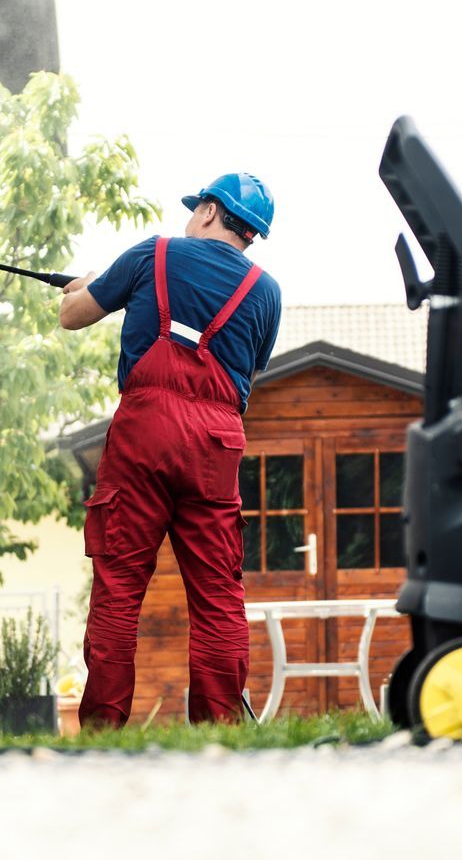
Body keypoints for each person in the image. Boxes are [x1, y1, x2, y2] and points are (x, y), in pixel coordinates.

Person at [58, 172, 282, 726]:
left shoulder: (153, 253)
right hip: (216, 443)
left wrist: (90, 286)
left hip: (144, 433)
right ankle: (220, 732)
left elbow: (73, 315)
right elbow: (248, 375)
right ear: (251, 233)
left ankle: (104, 734)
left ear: (209, 210)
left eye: (195, 208)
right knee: (218, 595)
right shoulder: (266, 292)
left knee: (119, 589)